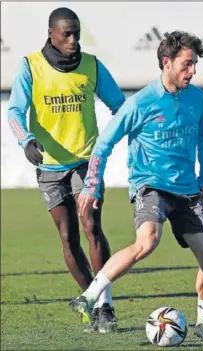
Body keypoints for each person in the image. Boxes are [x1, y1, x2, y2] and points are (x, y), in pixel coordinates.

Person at [69, 30, 203, 340]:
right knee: (148, 240)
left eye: (195, 65)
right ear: (167, 63)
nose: (192, 71)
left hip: (188, 190)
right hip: (149, 185)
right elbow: (103, 144)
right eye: (187, 65)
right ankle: (89, 297)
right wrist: (92, 185)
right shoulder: (141, 102)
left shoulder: (200, 100)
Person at [8, 7, 125, 333]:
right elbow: (15, 110)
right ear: (51, 34)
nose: (73, 40)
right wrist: (26, 141)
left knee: (91, 226)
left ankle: (105, 306)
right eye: (67, 34)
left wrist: (113, 142)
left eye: (77, 33)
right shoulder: (30, 66)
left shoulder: (92, 66)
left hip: (86, 161)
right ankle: (91, 299)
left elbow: (121, 107)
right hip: (48, 166)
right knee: (68, 239)